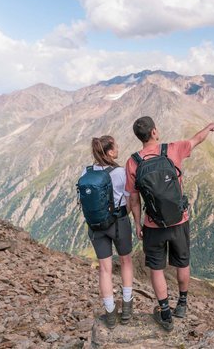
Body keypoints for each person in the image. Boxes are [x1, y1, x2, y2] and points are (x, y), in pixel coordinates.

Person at [125, 116, 214, 331]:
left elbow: (134, 198)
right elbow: (197, 140)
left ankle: (165, 313)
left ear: (139, 137)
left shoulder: (133, 162)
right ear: (154, 132)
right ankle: (182, 304)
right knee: (182, 263)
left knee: (156, 269)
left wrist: (137, 224)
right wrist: (208, 127)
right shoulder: (173, 149)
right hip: (179, 221)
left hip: (153, 225)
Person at [82, 136, 134, 329]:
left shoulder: (86, 172)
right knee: (125, 261)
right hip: (118, 222)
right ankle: (127, 309)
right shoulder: (120, 172)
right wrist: (124, 216)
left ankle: (110, 314)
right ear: (110, 152)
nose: (118, 148)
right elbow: (129, 201)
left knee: (105, 269)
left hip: (95, 226)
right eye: (116, 146)